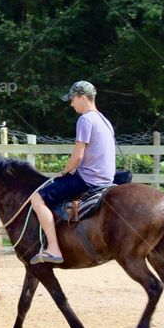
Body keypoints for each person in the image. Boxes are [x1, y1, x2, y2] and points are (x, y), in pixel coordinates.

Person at [29, 81, 116, 264]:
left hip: (89, 179)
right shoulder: (104, 120)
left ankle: (53, 249)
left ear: (83, 97)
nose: (71, 103)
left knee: (37, 198)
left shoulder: (85, 119)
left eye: (72, 99)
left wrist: (64, 171)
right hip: (106, 178)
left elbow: (77, 156)